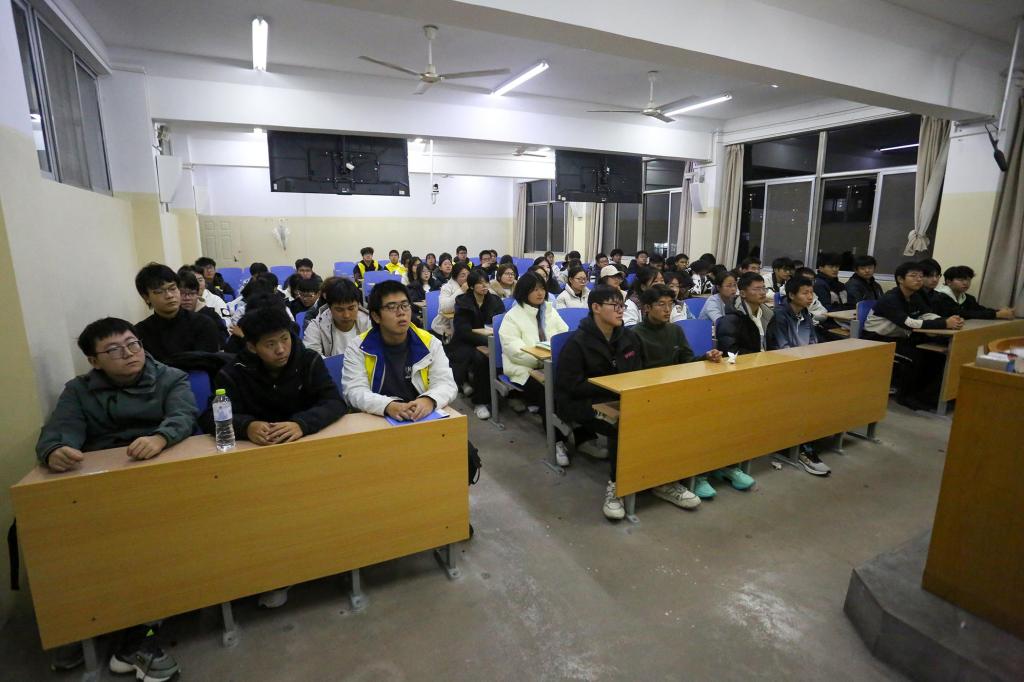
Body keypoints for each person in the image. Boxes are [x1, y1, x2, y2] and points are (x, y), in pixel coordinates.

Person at [37, 317, 196, 681]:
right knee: (61, 529)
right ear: (94, 361)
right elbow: (62, 429)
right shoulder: (79, 391)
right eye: (114, 350)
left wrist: (160, 437)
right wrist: (56, 450)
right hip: (105, 484)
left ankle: (137, 634)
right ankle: (88, 621)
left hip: (161, 474)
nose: (128, 354)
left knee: (148, 540)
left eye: (132, 344)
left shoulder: (170, 377)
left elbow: (183, 414)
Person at [208, 304, 345, 608]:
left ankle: (330, 559)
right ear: (252, 346)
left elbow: (335, 403)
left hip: (307, 453)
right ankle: (276, 573)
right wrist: (247, 426)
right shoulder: (233, 372)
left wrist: (301, 424)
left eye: (285, 339)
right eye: (270, 344)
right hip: (257, 462)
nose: (281, 349)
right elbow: (211, 417)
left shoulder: (308, 360)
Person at [554, 285, 643, 519]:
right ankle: (617, 486)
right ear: (596, 307)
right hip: (583, 402)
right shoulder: (577, 343)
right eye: (615, 306)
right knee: (622, 424)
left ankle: (657, 476)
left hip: (620, 397)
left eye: (622, 305)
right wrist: (609, 385)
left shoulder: (629, 338)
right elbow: (570, 386)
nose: (621, 310)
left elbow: (638, 372)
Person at [633, 284, 725, 509]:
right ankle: (666, 479)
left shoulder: (675, 331)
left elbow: (686, 361)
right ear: (647, 308)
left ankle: (705, 469)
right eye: (661, 305)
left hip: (675, 390)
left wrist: (705, 357)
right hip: (648, 395)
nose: (667, 310)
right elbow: (633, 375)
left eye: (670, 305)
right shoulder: (634, 334)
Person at [341, 279, 457, 419]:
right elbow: (354, 391)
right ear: (376, 316)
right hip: (378, 417)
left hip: (419, 416)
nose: (401, 312)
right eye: (392, 307)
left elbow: (446, 383)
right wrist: (388, 406)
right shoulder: (358, 347)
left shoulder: (429, 343)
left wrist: (429, 399)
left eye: (405, 305)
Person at [862, 261, 964, 409]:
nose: (918, 279)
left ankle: (928, 397)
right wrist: (944, 323)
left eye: (921, 276)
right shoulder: (890, 298)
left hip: (901, 337)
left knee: (937, 356)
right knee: (914, 357)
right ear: (900, 279)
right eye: (913, 276)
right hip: (878, 340)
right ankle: (905, 397)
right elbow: (908, 323)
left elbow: (926, 314)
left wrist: (948, 320)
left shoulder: (915, 295)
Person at [772, 277, 831, 476]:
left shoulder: (805, 313)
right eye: (805, 293)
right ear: (791, 295)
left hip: (804, 366)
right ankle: (802, 447)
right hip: (783, 368)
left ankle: (813, 437)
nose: (810, 296)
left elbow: (813, 341)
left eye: (811, 292)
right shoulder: (780, 315)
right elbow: (782, 348)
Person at [499, 273, 569, 433]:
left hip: (551, 365)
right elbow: (515, 351)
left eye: (542, 288)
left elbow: (564, 335)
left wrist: (552, 361)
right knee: (548, 392)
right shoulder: (512, 317)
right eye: (534, 289)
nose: (540, 293)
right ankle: (556, 437)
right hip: (524, 368)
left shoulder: (550, 311)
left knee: (572, 385)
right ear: (524, 291)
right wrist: (541, 362)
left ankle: (579, 432)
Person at [134, 263, 222, 363]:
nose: (169, 295)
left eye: (173, 288)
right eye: (159, 291)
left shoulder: (203, 324)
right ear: (146, 297)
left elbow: (209, 365)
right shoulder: (140, 332)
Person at [451, 270, 505, 419]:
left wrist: (491, 341)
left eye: (486, 282)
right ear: (471, 286)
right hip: (467, 342)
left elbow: (502, 323)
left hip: (490, 340)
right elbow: (463, 331)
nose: (484, 286)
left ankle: (504, 393)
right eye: (480, 283)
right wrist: (487, 341)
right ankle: (480, 402)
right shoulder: (463, 301)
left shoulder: (495, 300)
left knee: (499, 354)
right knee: (481, 358)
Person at [303, 278, 371, 357]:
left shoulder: (370, 323)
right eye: (339, 310)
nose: (346, 315)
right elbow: (312, 358)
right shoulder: (316, 327)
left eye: (351, 308)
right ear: (329, 308)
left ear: (358, 305)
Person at [716, 272, 776, 355]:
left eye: (763, 288)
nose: (762, 292)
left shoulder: (768, 315)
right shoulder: (731, 318)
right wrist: (758, 358)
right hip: (746, 361)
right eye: (756, 289)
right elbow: (730, 351)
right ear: (743, 293)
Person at [933, 266, 1015, 320]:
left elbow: (979, 310)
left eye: (968, 280)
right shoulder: (938, 296)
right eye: (961, 280)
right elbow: (962, 314)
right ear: (948, 282)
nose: (966, 283)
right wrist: (996, 314)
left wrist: (1000, 311)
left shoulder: (968, 298)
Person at [178, 269, 227, 335]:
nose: (187, 298)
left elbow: (224, 329)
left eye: (192, 293)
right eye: (182, 293)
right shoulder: (171, 314)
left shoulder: (212, 311)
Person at [433, 261, 471, 340]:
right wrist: (461, 290)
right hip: (445, 326)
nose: (467, 278)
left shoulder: (471, 287)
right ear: (455, 277)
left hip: (465, 325)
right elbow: (445, 308)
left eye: (468, 275)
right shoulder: (446, 287)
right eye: (463, 275)